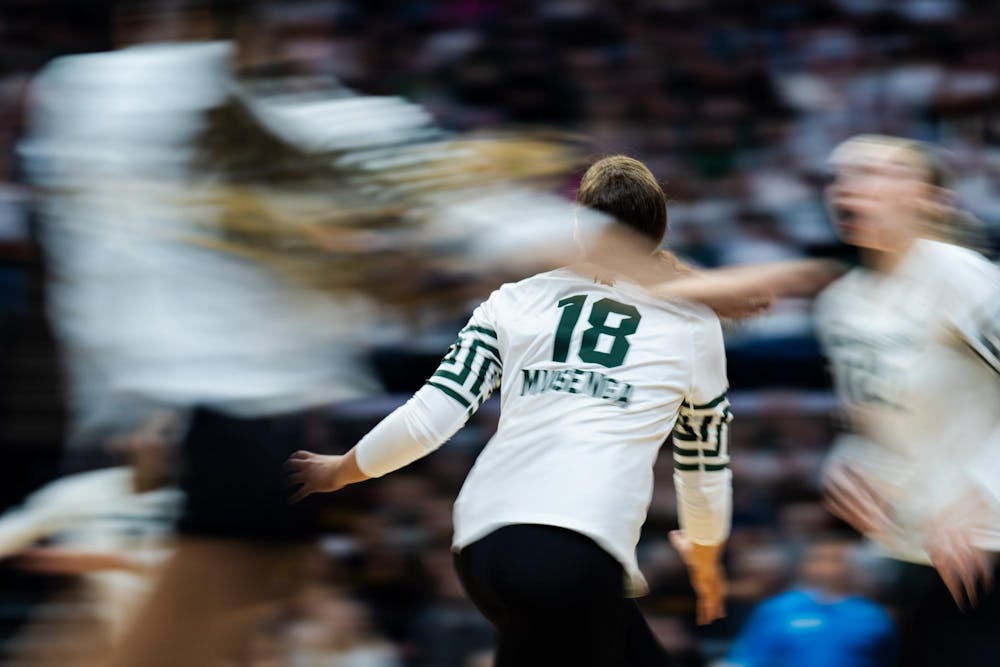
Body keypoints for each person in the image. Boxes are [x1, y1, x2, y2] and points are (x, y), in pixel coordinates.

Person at [289, 155, 733, 667]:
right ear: (659, 231)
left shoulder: (514, 300)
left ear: (580, 228)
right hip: (576, 546)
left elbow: (431, 415)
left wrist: (342, 468)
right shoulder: (691, 322)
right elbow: (702, 462)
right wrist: (704, 557)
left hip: (486, 545)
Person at [815, 134, 1000, 667]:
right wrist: (845, 463)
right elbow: (871, 422)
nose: (848, 187)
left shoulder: (959, 276)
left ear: (925, 196)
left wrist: (980, 490)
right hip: (921, 550)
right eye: (840, 175)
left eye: (874, 172)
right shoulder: (841, 303)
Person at [725, 537, 897, 667]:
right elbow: (745, 659)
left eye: (836, 560)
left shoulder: (874, 616)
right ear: (805, 565)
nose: (826, 568)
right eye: (818, 559)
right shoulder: (777, 608)